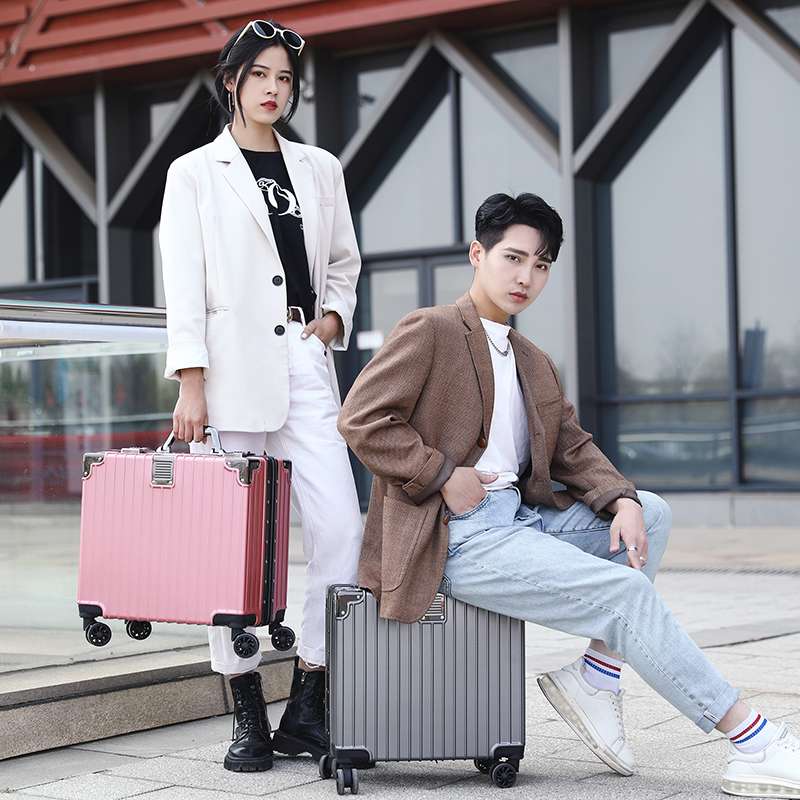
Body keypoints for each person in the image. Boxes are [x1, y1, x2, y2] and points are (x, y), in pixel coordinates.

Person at [337, 192, 800, 798]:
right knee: (625, 594)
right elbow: (361, 419)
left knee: (651, 513)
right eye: (513, 258)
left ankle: (596, 676)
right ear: (477, 255)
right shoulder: (432, 330)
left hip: (518, 520)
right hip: (452, 538)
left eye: (541, 264)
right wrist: (442, 472)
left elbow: (573, 448)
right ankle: (753, 742)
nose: (526, 277)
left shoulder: (534, 361)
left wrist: (623, 500)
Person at [158, 19, 363, 773]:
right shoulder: (193, 173)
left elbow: (342, 261)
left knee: (341, 528)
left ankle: (308, 699)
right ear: (232, 82)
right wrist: (191, 381)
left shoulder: (319, 168)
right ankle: (246, 711)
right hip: (228, 373)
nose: (275, 89)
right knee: (231, 547)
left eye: (285, 78)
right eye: (262, 75)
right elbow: (184, 285)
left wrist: (330, 321)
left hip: (304, 361)